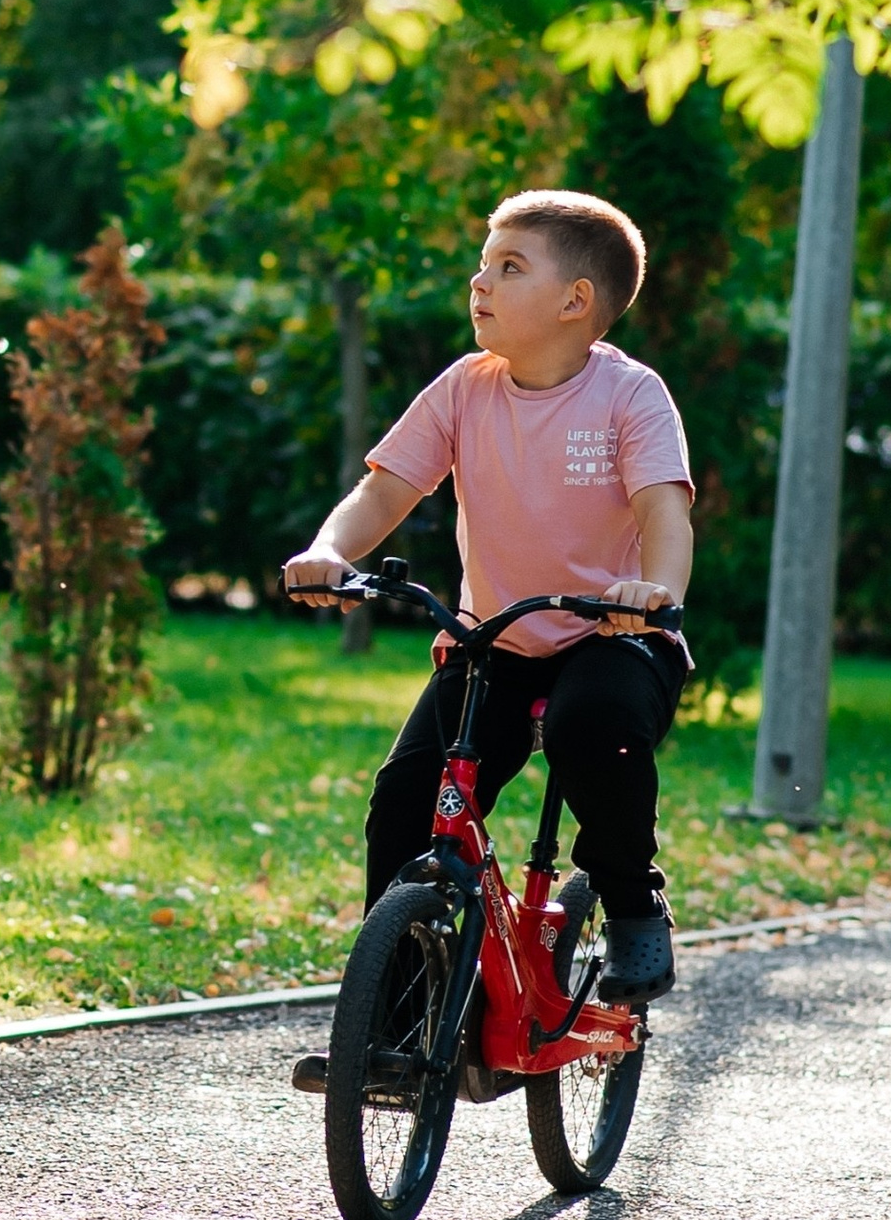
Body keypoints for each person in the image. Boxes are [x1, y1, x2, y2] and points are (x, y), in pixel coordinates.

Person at [282, 186, 696, 1006]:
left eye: (509, 267)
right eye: (482, 265)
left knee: (592, 728)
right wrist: (328, 549)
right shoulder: (465, 387)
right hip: (493, 642)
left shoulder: (630, 396)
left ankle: (631, 900)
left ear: (576, 301)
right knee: (406, 796)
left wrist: (655, 594)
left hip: (609, 637)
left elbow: (664, 509)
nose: (480, 283)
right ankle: (393, 1014)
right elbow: (383, 491)